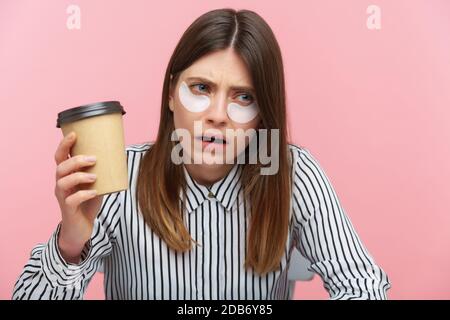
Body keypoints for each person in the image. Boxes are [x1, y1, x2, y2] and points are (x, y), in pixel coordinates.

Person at [12, 8, 391, 300]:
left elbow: (363, 286)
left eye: (244, 97)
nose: (217, 115)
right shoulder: (118, 178)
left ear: (263, 114)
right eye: (201, 88)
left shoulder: (293, 175)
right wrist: (71, 242)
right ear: (171, 93)